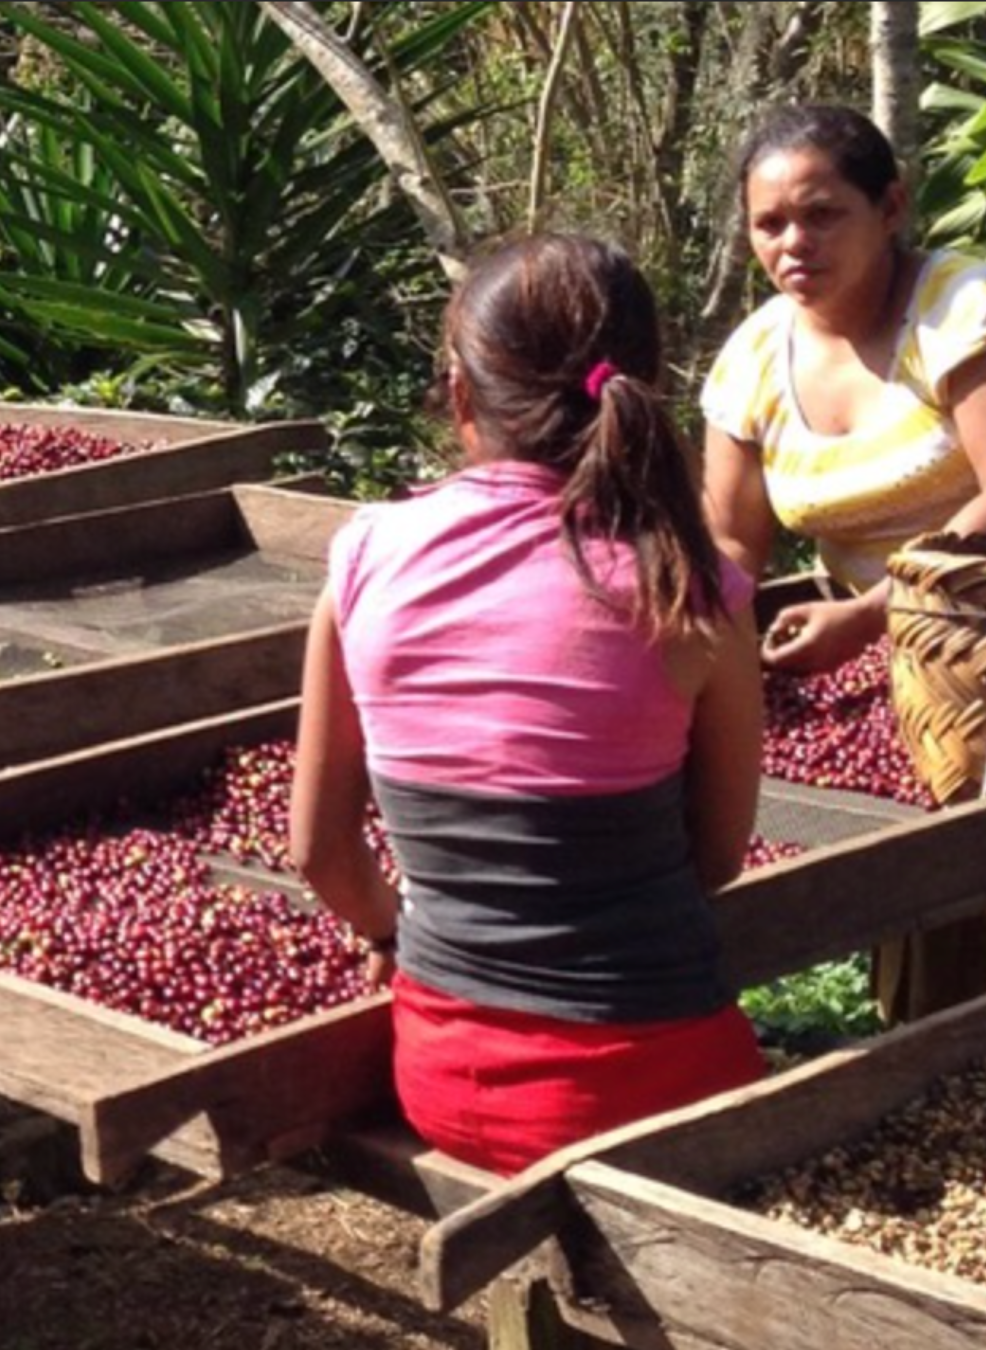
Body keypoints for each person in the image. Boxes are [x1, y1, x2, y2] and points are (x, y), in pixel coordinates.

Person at [290, 232, 766, 1176]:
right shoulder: (695, 587)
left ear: (461, 396)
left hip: (445, 1084)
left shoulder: (365, 557)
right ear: (642, 381)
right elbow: (715, 857)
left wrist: (399, 932)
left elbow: (319, 851)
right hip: (662, 1092)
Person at [699, 101, 986, 1020]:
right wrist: (695, 649)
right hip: (896, 666)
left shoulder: (966, 309)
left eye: (824, 213)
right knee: (914, 867)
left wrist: (869, 620)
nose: (795, 242)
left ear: (893, 206)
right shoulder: (755, 357)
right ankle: (933, 1025)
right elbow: (732, 542)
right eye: (770, 223)